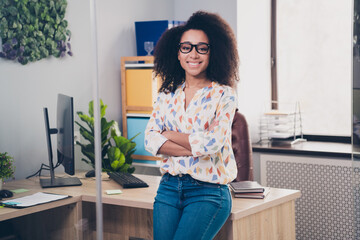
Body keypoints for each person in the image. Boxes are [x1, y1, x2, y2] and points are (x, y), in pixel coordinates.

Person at [144, 10, 240, 240]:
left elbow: (213, 143)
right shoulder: (167, 94)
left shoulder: (224, 95)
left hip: (208, 191)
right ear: (177, 53)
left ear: (212, 52)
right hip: (168, 188)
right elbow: (149, 140)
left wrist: (168, 134)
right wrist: (195, 146)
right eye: (186, 47)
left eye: (202, 48)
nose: (193, 54)